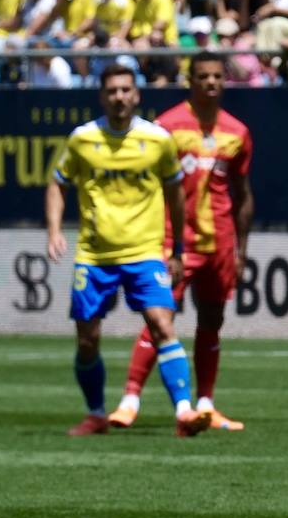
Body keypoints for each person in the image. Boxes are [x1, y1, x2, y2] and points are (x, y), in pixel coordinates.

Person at [44, 64, 213, 438]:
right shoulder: (82, 140)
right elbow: (57, 183)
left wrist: (178, 248)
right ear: (102, 96)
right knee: (88, 340)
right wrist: (55, 230)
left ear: (137, 95)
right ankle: (96, 414)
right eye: (112, 91)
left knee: (162, 324)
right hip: (95, 255)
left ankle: (185, 413)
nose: (119, 97)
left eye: (126, 90)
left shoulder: (157, 140)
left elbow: (175, 193)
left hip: (144, 252)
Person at [107, 52, 254, 432]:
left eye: (217, 77)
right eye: (203, 77)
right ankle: (129, 400)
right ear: (190, 81)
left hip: (218, 242)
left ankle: (206, 404)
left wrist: (241, 250)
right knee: (160, 318)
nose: (211, 83)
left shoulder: (236, 132)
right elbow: (148, 186)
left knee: (212, 320)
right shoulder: (167, 127)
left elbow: (242, 193)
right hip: (174, 241)